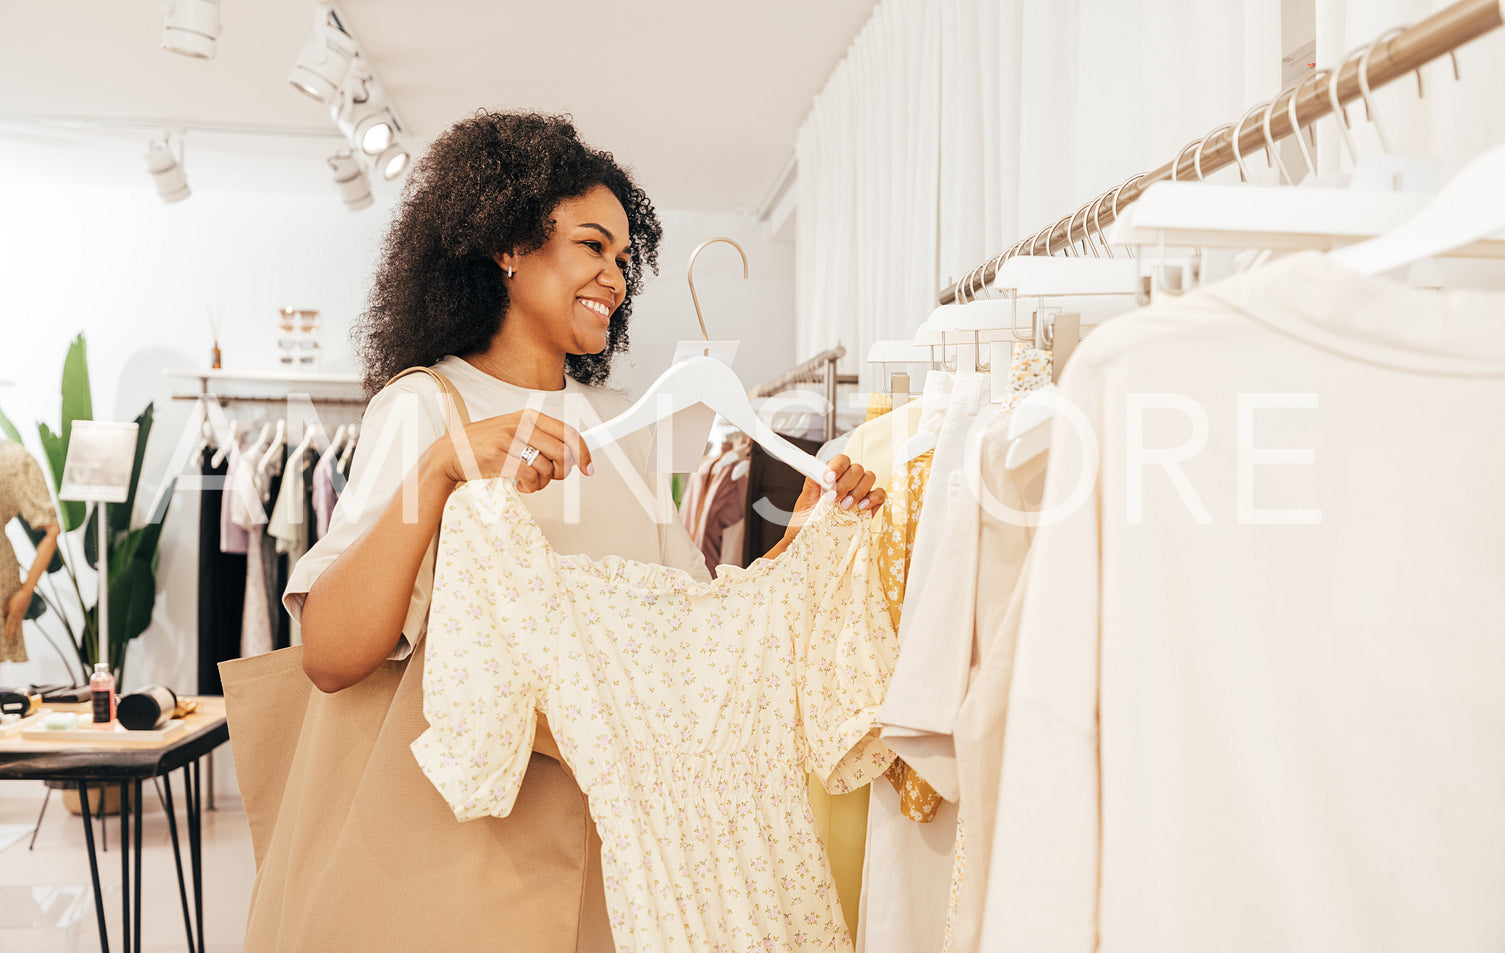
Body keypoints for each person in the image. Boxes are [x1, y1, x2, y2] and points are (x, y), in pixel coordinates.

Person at [256, 110, 885, 951]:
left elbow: (689, 650)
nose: (616, 278)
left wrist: (805, 541)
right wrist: (443, 469)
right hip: (469, 861)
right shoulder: (424, 409)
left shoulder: (619, 428)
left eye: (626, 257)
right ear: (508, 247)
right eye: (593, 246)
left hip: (622, 868)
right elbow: (330, 655)